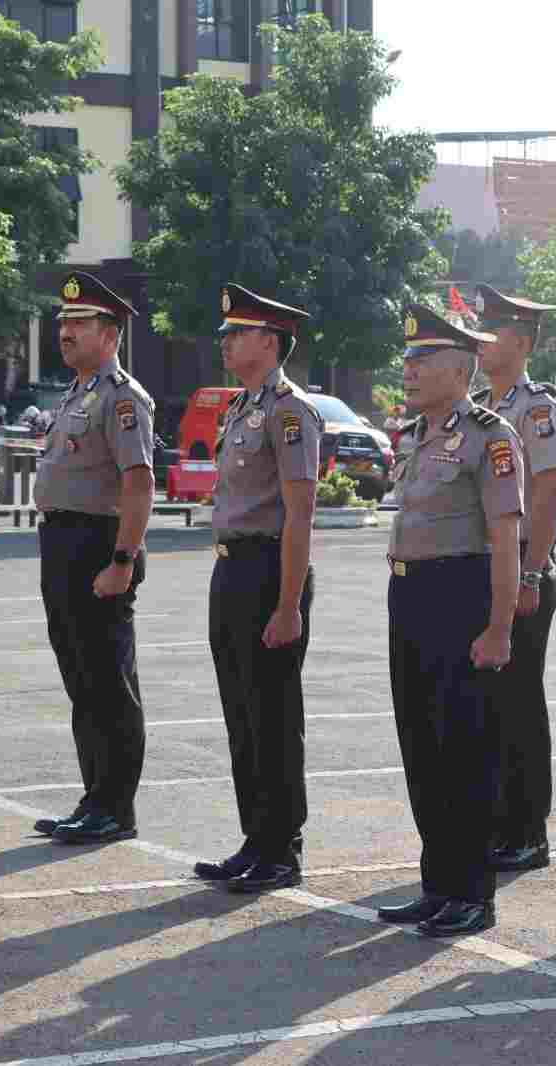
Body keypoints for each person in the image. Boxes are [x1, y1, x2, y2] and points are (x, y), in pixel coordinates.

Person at [378, 303, 524, 938]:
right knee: (422, 746)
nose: (409, 370)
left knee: (465, 748)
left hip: (460, 596)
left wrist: (499, 626)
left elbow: (506, 537)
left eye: (424, 359)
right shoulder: (414, 435)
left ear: (462, 370)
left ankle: (472, 893)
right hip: (408, 594)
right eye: (408, 359)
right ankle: (437, 884)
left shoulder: (491, 435)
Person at [191, 285, 320, 892]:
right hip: (232, 569)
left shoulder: (290, 411)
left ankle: (282, 848)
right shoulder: (242, 407)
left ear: (269, 342)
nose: (225, 342)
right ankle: (256, 837)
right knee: (241, 713)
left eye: (237, 333)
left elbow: (300, 512)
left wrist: (289, 603)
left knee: (273, 715)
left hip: (270, 570)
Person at [31, 272, 155, 845]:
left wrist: (123, 559)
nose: (66, 332)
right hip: (62, 544)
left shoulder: (122, 397)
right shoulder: (76, 393)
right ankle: (94, 798)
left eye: (79, 323)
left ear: (109, 333)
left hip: (100, 545)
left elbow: (139, 482)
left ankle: (116, 807)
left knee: (108, 680)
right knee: (81, 678)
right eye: (63, 322)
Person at [476, 283, 556, 873]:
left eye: (495, 333)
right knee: (488, 706)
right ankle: (497, 821)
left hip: (524, 571)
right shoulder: (479, 407)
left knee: (518, 705)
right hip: (484, 571)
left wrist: (532, 571)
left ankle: (528, 830)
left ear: (524, 343)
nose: (482, 343)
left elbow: (550, 491)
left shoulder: (536, 409)